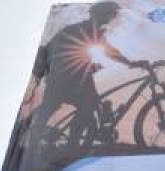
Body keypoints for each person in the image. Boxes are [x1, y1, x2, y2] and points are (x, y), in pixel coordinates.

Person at [29, 2, 147, 150]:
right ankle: (72, 144)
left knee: (51, 109)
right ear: (103, 14)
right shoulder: (87, 30)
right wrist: (131, 63)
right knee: (87, 105)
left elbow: (98, 51)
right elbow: (107, 51)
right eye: (112, 13)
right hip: (71, 79)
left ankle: (43, 142)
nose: (114, 17)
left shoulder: (83, 29)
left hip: (64, 78)